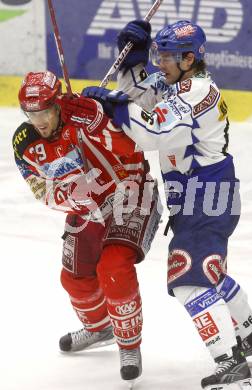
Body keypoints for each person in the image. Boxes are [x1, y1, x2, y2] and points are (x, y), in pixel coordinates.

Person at [81, 20, 252, 389]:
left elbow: (154, 132)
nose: (161, 62)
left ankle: (230, 365)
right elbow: (142, 96)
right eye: (158, 54)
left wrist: (114, 108)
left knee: (187, 277)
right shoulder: (173, 82)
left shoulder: (197, 92)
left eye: (166, 56)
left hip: (208, 193)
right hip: (194, 195)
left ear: (190, 59)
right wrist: (131, 62)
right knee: (209, 271)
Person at [13, 71, 161, 386]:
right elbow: (41, 190)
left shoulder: (86, 115)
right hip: (87, 207)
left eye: (43, 111)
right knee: (74, 277)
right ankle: (100, 328)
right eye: (31, 113)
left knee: (113, 268)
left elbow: (130, 148)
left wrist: (99, 118)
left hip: (130, 194)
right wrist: (75, 198)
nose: (37, 120)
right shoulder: (25, 142)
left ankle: (129, 345)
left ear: (57, 105)